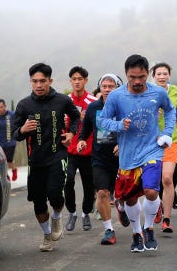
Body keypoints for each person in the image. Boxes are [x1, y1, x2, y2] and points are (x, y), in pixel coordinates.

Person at [99, 54, 176, 253]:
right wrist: (118, 125)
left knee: (151, 191)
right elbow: (103, 121)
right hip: (128, 154)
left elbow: (170, 111)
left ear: (147, 74)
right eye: (132, 77)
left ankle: (149, 228)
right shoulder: (116, 96)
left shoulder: (158, 92)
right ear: (126, 75)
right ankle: (136, 233)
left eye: (141, 77)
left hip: (152, 149)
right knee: (131, 198)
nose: (137, 81)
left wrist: (167, 134)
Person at [12, 62, 81, 252]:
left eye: (43, 81)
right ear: (30, 82)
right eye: (35, 81)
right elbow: (15, 134)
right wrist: (23, 130)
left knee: (55, 193)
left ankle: (57, 218)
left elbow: (75, 117)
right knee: (39, 202)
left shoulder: (62, 101)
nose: (39, 85)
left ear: (50, 80)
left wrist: (71, 134)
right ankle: (47, 234)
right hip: (35, 160)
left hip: (58, 154)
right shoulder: (24, 105)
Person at [77, 73, 129, 245]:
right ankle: (109, 230)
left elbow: (134, 132)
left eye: (111, 86)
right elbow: (85, 131)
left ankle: (122, 208)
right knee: (102, 193)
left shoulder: (125, 107)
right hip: (99, 159)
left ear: (118, 88)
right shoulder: (93, 108)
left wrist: (122, 145)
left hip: (123, 159)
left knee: (124, 195)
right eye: (104, 86)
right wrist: (82, 141)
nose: (107, 89)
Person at [151, 62, 177, 233]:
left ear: (169, 76)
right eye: (158, 74)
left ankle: (166, 219)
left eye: (165, 73)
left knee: (167, 178)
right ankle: (156, 204)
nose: (162, 77)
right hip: (150, 140)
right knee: (152, 181)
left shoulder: (175, 91)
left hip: (170, 139)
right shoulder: (147, 92)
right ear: (153, 76)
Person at [64, 66, 97, 232]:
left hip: (88, 151)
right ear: (70, 81)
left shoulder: (92, 102)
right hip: (70, 151)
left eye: (80, 79)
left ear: (86, 80)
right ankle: (72, 213)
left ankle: (85, 214)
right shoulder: (65, 101)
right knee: (68, 181)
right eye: (74, 79)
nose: (77, 82)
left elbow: (98, 126)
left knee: (88, 186)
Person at [0, 99, 18, 181]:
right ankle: (7, 175)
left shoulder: (12, 115)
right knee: (2, 161)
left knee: (8, 160)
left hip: (10, 142)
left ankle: (12, 171)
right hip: (0, 143)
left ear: (5, 106)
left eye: (1, 107)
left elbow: (18, 124)